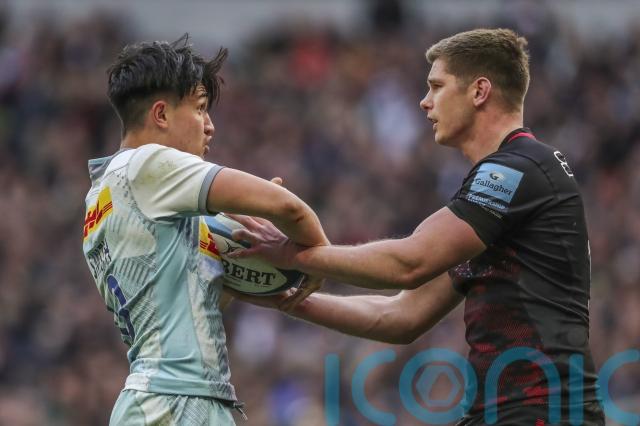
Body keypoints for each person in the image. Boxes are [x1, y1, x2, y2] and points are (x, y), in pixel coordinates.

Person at [228, 29, 605, 424]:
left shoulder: (517, 169)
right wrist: (281, 295)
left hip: (543, 412)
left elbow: (408, 263)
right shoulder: (506, 189)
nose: (425, 101)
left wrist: (294, 255)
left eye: (437, 86)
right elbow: (400, 315)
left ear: (479, 91)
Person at [81, 35, 327, 425]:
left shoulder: (104, 195)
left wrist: (236, 254)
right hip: (171, 403)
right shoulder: (146, 164)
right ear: (161, 115)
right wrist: (320, 260)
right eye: (199, 109)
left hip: (172, 399)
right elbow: (287, 206)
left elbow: (194, 305)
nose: (210, 126)